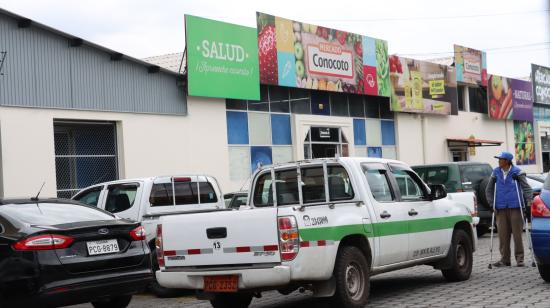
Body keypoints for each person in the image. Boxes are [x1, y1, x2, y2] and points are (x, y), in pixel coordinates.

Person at [485, 151, 533, 267]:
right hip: (500, 208)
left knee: (517, 235)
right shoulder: (495, 172)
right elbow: (489, 189)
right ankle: (505, 259)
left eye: (500, 159)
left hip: (516, 207)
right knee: (503, 235)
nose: (498, 161)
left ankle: (520, 259)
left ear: (506, 161)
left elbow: (527, 189)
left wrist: (528, 203)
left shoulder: (518, 172)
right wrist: (492, 204)